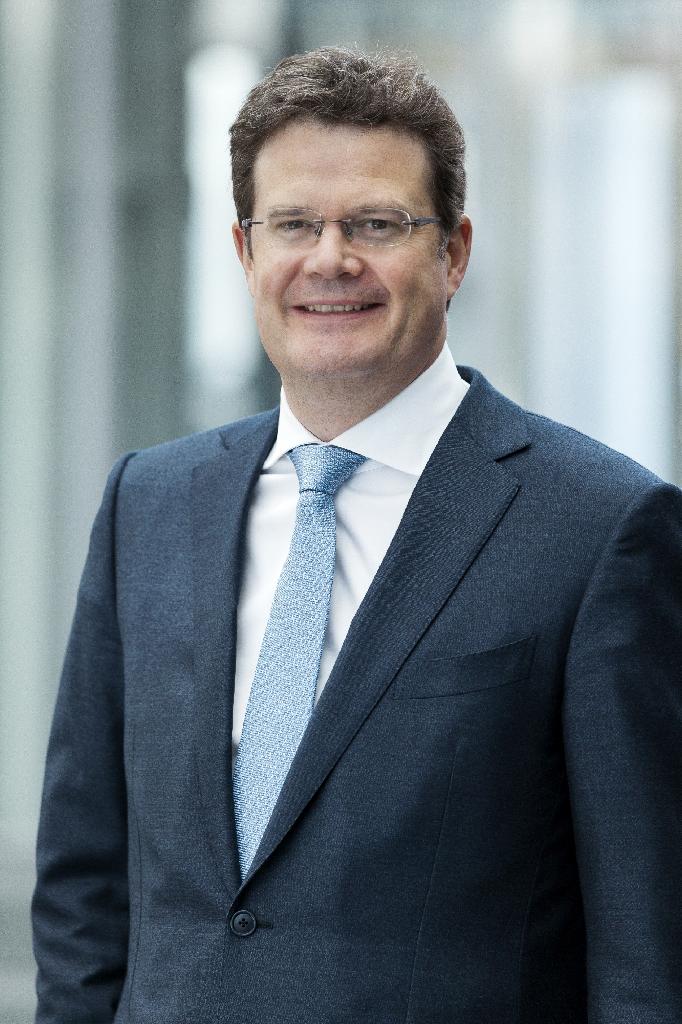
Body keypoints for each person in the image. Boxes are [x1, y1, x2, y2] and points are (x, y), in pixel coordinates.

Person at [32, 46, 682, 1024]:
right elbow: (84, 890)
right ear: (246, 252)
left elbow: (645, 955)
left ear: (453, 252)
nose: (330, 259)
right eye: (293, 223)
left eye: (376, 223)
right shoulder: (148, 503)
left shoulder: (600, 528)